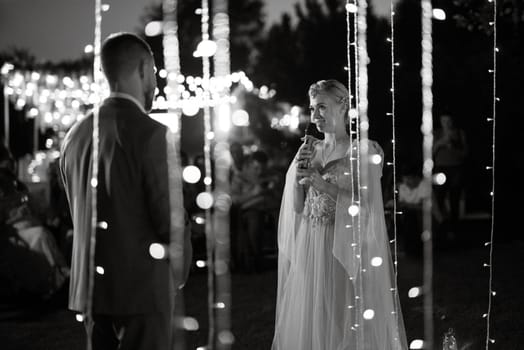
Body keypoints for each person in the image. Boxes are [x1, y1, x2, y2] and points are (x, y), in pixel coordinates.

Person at [60, 33, 192, 350]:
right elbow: (169, 221)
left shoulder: (74, 136)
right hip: (143, 291)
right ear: (144, 69)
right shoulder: (152, 134)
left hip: (93, 291)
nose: (155, 84)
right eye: (155, 73)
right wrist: (181, 267)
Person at [272, 80, 407, 349]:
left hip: (344, 246)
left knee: (343, 316)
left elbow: (365, 208)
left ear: (343, 106)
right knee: (314, 316)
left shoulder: (363, 151)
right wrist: (299, 178)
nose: (315, 116)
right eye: (312, 109)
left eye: (322, 107)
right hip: (311, 247)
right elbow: (297, 207)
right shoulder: (308, 150)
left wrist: (322, 185)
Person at [433, 113, 468, 234]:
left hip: (455, 169)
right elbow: (429, 152)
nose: (446, 123)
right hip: (440, 169)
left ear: (452, 121)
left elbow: (465, 154)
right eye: (444, 121)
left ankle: (454, 230)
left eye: (449, 121)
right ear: (440, 121)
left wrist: (452, 146)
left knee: (455, 198)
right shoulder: (436, 133)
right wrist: (440, 143)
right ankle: (439, 228)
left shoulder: (459, 133)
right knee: (439, 198)